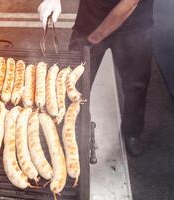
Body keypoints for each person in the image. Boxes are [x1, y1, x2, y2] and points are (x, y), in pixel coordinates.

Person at [38, 0, 154, 157]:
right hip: (90, 18)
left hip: (134, 25)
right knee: (73, 84)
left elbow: (129, 4)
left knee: (136, 86)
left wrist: (91, 40)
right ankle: (73, 131)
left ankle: (132, 132)